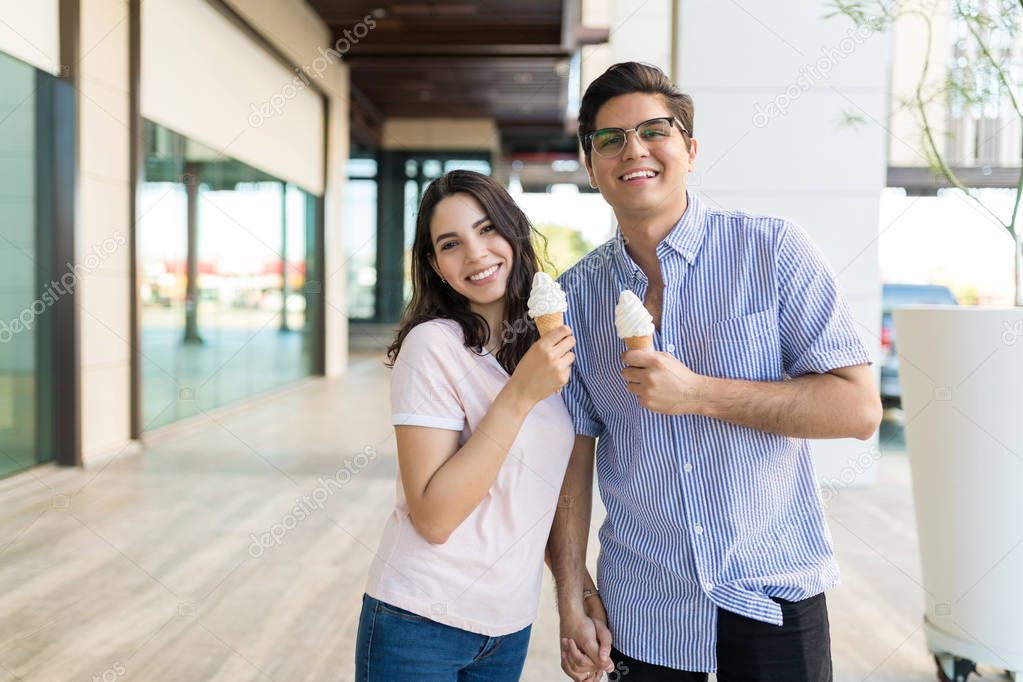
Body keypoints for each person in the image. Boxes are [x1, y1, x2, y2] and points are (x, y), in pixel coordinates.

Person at [548, 62, 883, 681]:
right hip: (642, 609)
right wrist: (573, 595)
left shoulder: (774, 251)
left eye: (655, 131)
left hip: (774, 592)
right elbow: (571, 454)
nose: (634, 150)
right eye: (610, 139)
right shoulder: (575, 299)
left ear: (690, 149)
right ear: (591, 165)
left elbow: (859, 411)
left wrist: (698, 392)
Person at [355, 170, 581, 681]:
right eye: (451, 244)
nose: (476, 255)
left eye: (487, 230)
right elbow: (434, 518)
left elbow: (543, 491)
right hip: (419, 621)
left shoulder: (548, 346)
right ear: (435, 265)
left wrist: (577, 596)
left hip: (509, 627)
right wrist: (519, 394)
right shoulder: (433, 346)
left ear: (513, 232)